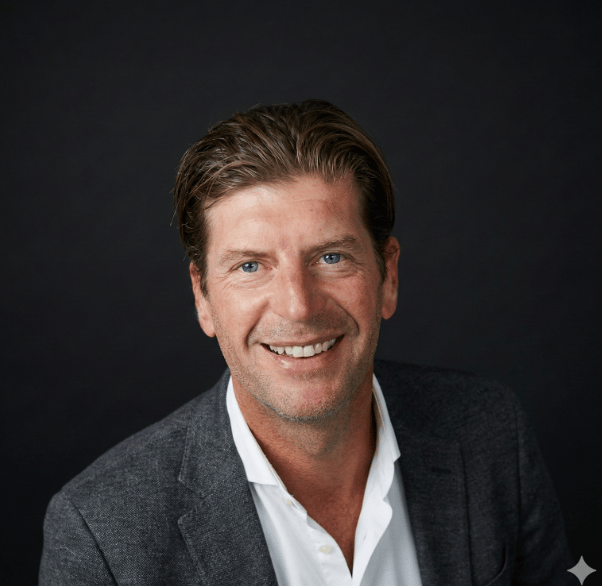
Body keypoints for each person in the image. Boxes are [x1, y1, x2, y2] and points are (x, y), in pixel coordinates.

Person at [40, 99, 573, 585]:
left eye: (331, 257)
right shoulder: (101, 535)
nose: (298, 306)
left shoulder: (490, 434)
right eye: (250, 266)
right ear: (202, 297)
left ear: (388, 277)